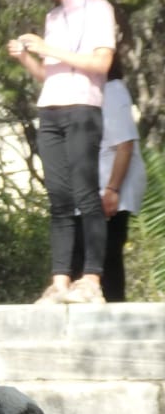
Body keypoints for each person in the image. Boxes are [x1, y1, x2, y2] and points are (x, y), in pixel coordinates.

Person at [7, 0, 116, 305]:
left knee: (86, 195)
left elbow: (101, 63)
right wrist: (26, 58)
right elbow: (49, 75)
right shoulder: (53, 17)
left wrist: (48, 47)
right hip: (50, 108)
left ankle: (91, 279)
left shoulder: (98, 8)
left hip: (83, 108)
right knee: (58, 198)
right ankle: (59, 281)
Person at [69, 51, 147, 301]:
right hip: (93, 189)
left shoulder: (111, 90)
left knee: (105, 257)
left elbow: (125, 145)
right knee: (82, 259)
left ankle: (113, 314)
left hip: (110, 189)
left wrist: (113, 189)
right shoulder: (89, 92)